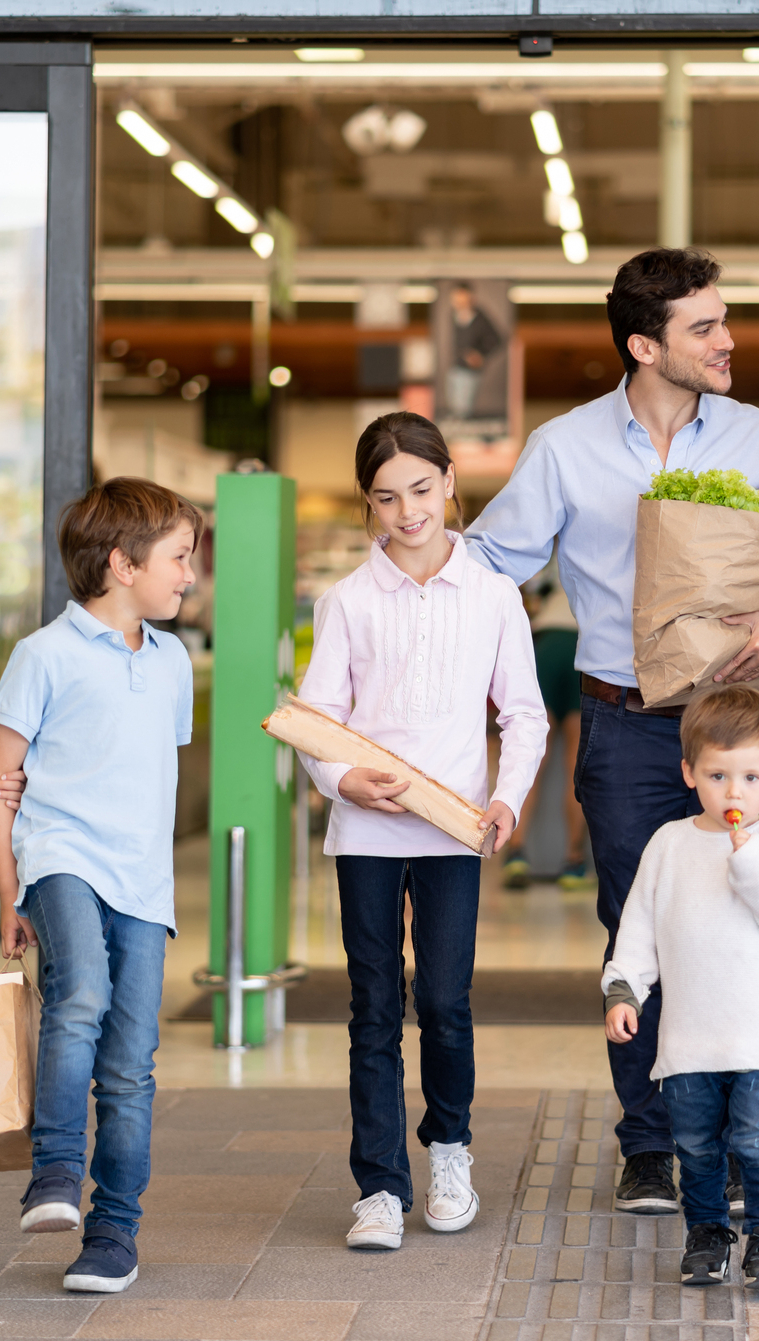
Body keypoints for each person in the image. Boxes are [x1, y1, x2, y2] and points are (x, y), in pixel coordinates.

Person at [465, 247, 759, 1215]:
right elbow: (490, 560)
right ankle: (650, 1142)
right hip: (622, 722)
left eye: (723, 321)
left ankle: (735, 1130)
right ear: (643, 345)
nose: (727, 341)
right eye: (703, 328)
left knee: (742, 921)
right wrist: (405, 553)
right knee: (634, 930)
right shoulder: (565, 448)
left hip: (735, 727)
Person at [296, 411, 547, 1253]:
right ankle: (377, 1186)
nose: (407, 511)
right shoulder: (347, 600)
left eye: (420, 488)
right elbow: (316, 719)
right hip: (365, 835)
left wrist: (506, 800)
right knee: (374, 1009)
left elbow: (524, 714)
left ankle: (448, 1149)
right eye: (385, 497)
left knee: (443, 1003)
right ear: (368, 506)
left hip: (453, 832)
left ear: (450, 483)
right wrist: (343, 780)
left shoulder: (492, 594)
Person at [0, 477, 200, 1294]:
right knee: (80, 999)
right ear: (122, 562)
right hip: (61, 859)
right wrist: (11, 896)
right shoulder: (43, 655)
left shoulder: (172, 661)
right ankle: (55, 1173)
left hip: (144, 882)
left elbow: (142, 768)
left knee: (132, 1063)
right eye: (178, 558)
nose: (188, 575)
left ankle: (113, 1234)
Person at [601, 686, 759, 1291]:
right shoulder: (669, 844)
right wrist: (624, 991)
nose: (734, 792)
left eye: (751, 777)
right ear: (689, 773)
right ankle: (706, 1236)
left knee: (755, 1139)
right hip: (690, 1040)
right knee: (695, 1146)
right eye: (717, 775)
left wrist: (750, 866)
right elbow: (638, 927)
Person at [499, 559, 591, 890]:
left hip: (545, 645)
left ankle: (516, 852)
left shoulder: (549, 563)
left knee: (531, 757)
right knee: (575, 767)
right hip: (583, 649)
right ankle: (573, 861)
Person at [442, 283, 502, 422]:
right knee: (453, 406)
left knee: (463, 409)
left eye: (462, 299)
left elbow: (497, 339)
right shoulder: (454, 315)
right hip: (455, 365)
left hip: (470, 370)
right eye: (456, 299)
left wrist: (480, 354)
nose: (459, 303)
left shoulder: (480, 317)